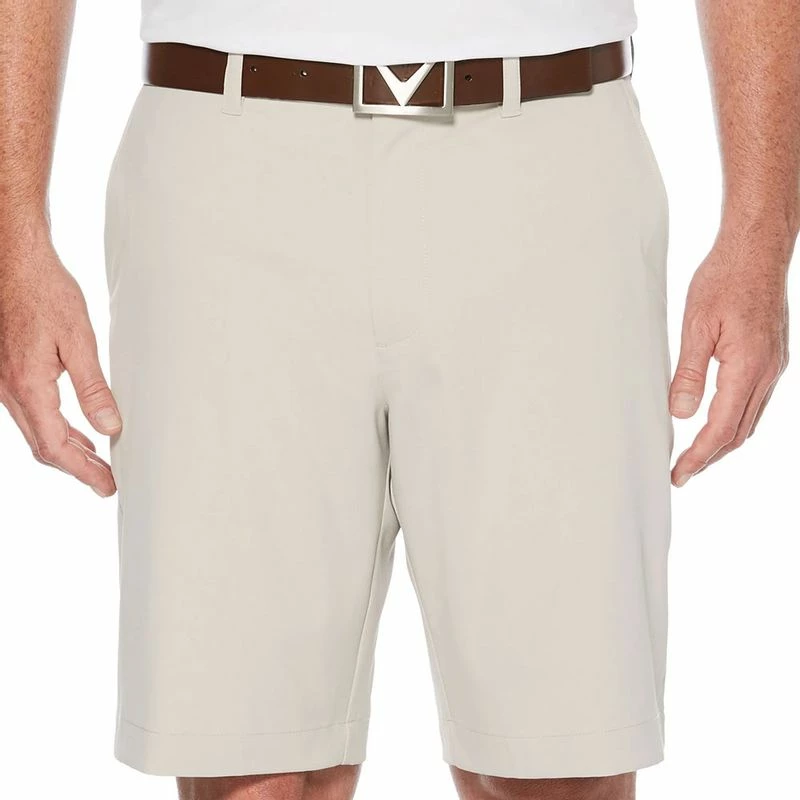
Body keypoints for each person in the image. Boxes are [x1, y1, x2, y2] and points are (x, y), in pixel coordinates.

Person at [0, 0, 796, 798]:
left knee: (558, 759)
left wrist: (760, 236)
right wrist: (13, 243)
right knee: (246, 759)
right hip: (223, 156)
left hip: (548, 154)